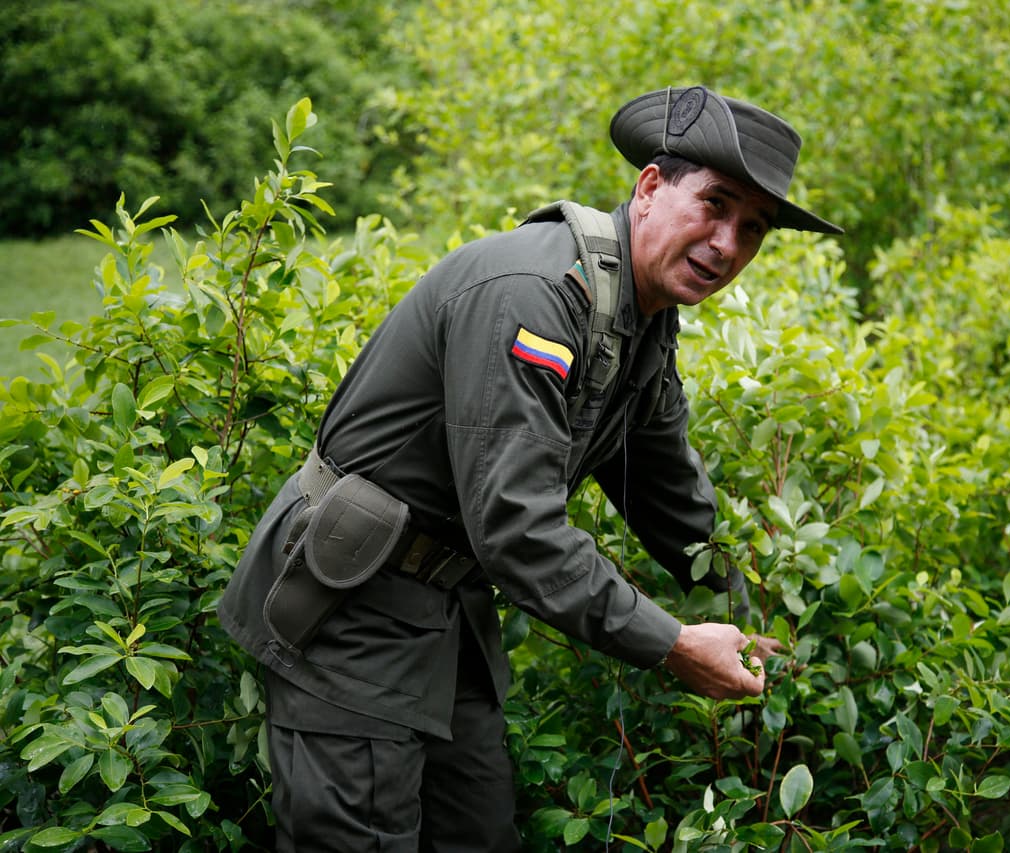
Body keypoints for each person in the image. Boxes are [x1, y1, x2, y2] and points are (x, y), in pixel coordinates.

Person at [217, 84, 842, 852]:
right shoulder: (537, 297)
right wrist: (674, 642)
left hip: (445, 621)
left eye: (753, 228)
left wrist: (764, 621)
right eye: (714, 204)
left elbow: (667, 491)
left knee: (480, 835)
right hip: (352, 612)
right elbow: (517, 528)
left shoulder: (638, 313)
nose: (727, 244)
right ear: (650, 187)